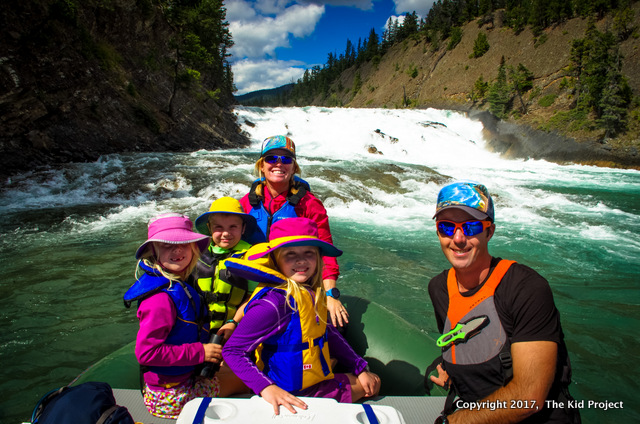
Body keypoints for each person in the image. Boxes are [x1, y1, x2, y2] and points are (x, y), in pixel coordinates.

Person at [426, 181, 579, 424]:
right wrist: (451, 370)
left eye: (471, 226)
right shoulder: (438, 288)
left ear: (490, 231)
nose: (458, 238)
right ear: (437, 232)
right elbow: (466, 341)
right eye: (446, 227)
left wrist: (454, 421)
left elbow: (529, 398)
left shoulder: (525, 288)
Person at [221, 217, 381, 415]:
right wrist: (266, 388)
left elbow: (326, 331)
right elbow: (233, 350)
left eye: (308, 253)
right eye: (290, 254)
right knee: (375, 383)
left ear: (318, 257)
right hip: (293, 393)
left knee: (367, 377)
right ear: (275, 260)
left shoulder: (309, 292)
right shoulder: (273, 304)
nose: (301, 260)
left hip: (310, 381)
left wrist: (359, 367)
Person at [123, 213, 247, 419]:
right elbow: (146, 354)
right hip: (171, 396)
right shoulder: (159, 300)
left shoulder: (180, 283)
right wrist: (201, 352)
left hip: (183, 380)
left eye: (183, 243)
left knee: (233, 367)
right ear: (153, 251)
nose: (177, 250)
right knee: (248, 377)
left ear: (193, 248)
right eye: (166, 245)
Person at [240, 135, 348, 329]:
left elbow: (326, 252)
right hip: (254, 284)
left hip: (296, 283)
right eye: (272, 158)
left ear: (294, 167)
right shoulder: (246, 203)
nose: (279, 164)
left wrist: (331, 294)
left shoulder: (310, 205)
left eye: (286, 159)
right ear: (261, 165)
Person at [194, 197, 258, 339]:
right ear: (209, 228)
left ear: (243, 228)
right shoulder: (195, 253)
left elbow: (253, 296)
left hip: (233, 329)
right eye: (219, 227)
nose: (226, 233)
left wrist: (233, 322)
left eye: (233, 227)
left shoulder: (250, 258)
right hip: (197, 329)